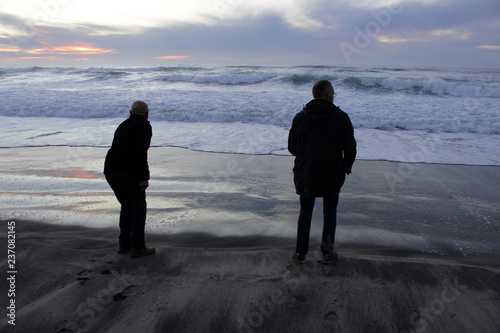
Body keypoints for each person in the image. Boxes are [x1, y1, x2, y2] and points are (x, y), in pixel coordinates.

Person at [288, 80, 356, 264]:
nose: (333, 97)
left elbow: (292, 148)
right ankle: (327, 253)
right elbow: (350, 149)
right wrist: (345, 168)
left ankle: (300, 253)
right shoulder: (341, 117)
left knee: (305, 212)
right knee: (330, 213)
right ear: (327, 95)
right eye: (333, 94)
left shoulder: (300, 118)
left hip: (306, 173)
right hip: (331, 174)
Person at [104, 101, 156, 258]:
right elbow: (140, 153)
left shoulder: (123, 125)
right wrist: (144, 178)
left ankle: (124, 245)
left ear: (130, 112)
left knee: (127, 205)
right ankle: (138, 247)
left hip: (111, 170)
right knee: (139, 207)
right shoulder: (144, 126)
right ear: (147, 113)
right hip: (127, 173)